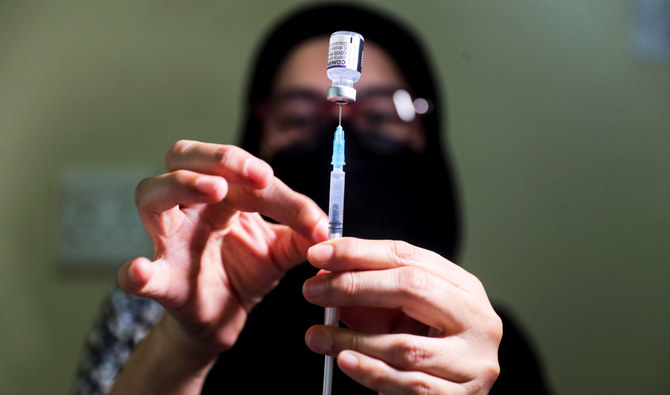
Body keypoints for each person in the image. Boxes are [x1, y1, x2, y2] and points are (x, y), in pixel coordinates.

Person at [74, 4, 550, 394]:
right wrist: (182, 349)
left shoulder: (477, 345)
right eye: (298, 118)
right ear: (256, 136)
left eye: (384, 116)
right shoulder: (154, 310)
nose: (338, 129)